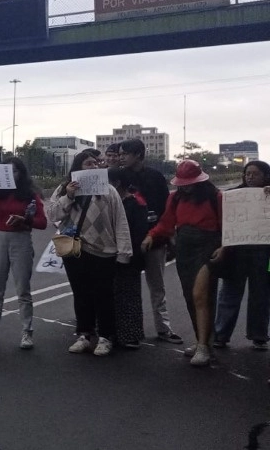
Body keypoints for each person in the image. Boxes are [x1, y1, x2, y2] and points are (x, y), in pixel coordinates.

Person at [46, 151, 133, 356]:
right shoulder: (63, 189)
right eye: (87, 164)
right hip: (74, 250)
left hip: (103, 250)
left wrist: (124, 251)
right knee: (81, 293)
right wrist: (69, 196)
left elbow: (120, 221)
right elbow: (53, 215)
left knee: (103, 294)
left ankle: (105, 336)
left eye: (96, 164)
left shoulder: (108, 190)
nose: (93, 167)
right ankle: (84, 334)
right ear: (78, 167)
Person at [142, 160, 222, 358]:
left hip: (209, 247)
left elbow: (228, 225)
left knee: (200, 295)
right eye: (182, 185)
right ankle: (202, 340)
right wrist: (152, 235)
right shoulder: (175, 198)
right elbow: (167, 223)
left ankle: (203, 346)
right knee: (189, 296)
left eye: (188, 184)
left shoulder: (216, 196)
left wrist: (225, 248)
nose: (185, 188)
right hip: (184, 249)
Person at [0, 158, 48, 349]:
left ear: (21, 174)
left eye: (15, 171)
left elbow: (42, 222)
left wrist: (24, 220)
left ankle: (27, 331)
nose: (11, 175)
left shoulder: (29, 194)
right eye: (7, 171)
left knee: (23, 288)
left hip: (20, 239)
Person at [120, 139, 183, 344]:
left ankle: (164, 329)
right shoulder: (119, 176)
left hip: (154, 239)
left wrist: (165, 236)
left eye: (125, 153)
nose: (121, 157)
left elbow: (167, 210)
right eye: (120, 154)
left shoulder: (155, 177)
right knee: (129, 288)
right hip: (126, 241)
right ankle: (131, 331)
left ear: (138, 154)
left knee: (157, 286)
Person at [212, 161, 270, 351]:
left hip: (266, 254)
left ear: (266, 176)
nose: (250, 177)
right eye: (247, 174)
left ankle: (259, 335)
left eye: (255, 174)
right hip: (236, 252)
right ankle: (220, 334)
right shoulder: (234, 196)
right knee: (229, 293)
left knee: (262, 294)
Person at [109, 167, 149, 349]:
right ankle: (112, 332)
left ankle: (130, 335)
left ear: (116, 183)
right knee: (111, 295)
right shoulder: (110, 201)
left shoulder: (135, 204)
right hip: (109, 255)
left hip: (128, 257)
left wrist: (125, 252)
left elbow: (138, 234)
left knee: (129, 296)